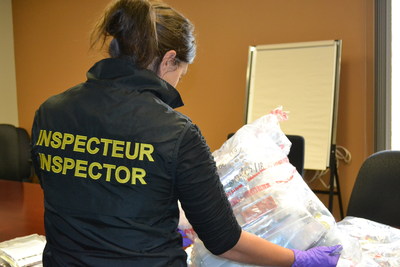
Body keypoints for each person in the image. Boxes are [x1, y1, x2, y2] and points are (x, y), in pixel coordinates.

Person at [31, 0, 342, 266]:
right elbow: (224, 240)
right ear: (169, 59)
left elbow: (76, 187)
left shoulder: (49, 111)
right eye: (180, 72)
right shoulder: (175, 132)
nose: (178, 81)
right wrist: (297, 258)